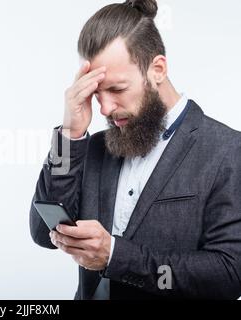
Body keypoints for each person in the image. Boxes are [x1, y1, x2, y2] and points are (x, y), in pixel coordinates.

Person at [29, 0, 241, 300]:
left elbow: (229, 275)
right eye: (95, 93)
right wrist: (70, 134)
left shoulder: (228, 150)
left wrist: (117, 257)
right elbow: (42, 232)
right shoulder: (90, 149)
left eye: (116, 89)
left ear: (157, 69)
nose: (104, 108)